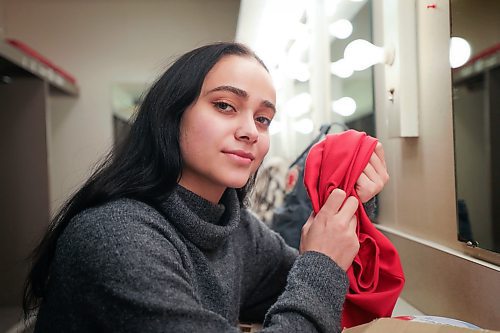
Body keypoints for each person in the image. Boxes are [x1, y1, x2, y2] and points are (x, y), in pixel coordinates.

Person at [22, 42, 389, 333]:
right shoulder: (116, 235)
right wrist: (320, 264)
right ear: (171, 115)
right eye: (226, 106)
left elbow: (321, 294)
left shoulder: (235, 227)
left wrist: (353, 204)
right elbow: (316, 282)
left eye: (263, 119)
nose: (250, 131)